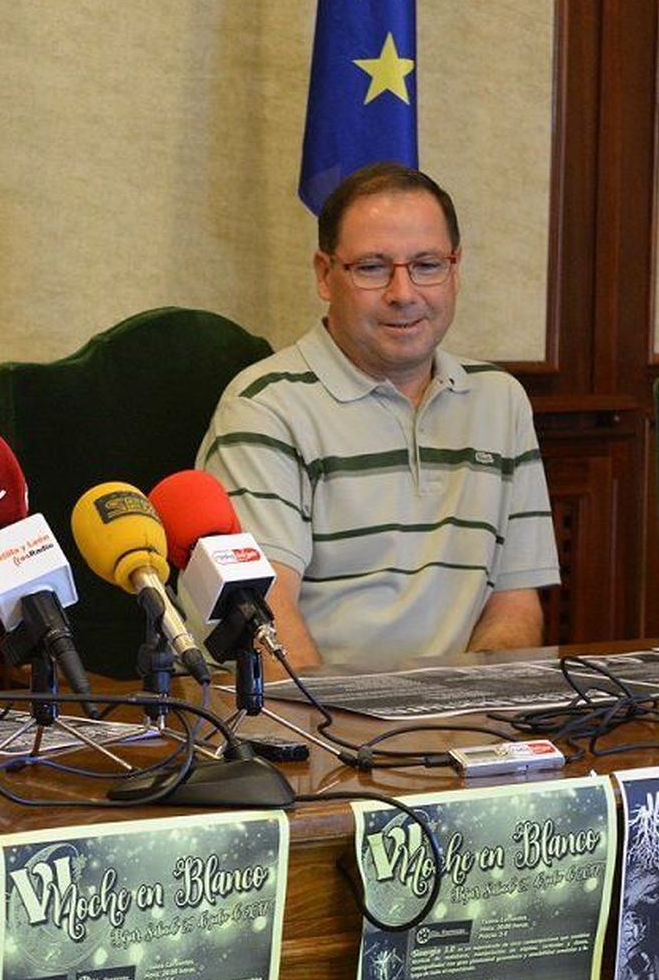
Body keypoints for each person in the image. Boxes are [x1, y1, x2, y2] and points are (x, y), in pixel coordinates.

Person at [199, 162, 560, 668]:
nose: (404, 293)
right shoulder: (264, 407)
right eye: (372, 267)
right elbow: (265, 619)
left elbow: (515, 603)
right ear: (326, 275)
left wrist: (473, 710)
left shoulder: (499, 400)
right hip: (318, 725)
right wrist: (348, 734)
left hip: (461, 725)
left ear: (455, 270)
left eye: (427, 265)